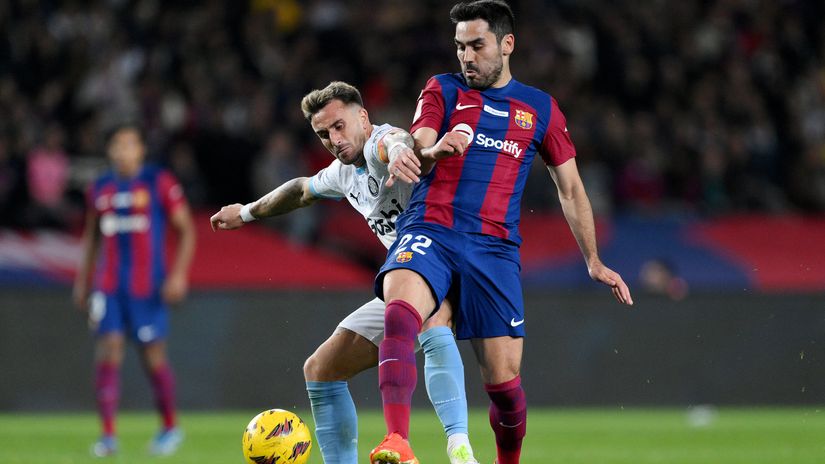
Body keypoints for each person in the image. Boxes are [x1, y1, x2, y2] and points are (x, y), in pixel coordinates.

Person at [369, 2, 634, 464]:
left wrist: (593, 259)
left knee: (506, 389)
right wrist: (429, 152)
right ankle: (397, 441)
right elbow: (422, 140)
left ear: (507, 44)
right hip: (431, 228)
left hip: (494, 250)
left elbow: (570, 189)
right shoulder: (442, 89)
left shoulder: (540, 109)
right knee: (400, 310)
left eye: (476, 45)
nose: (466, 57)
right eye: (459, 47)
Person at [209, 81, 479, 464]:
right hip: (405, 281)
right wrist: (248, 212)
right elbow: (302, 190)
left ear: (363, 118)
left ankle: (459, 445)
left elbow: (395, 140)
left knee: (428, 315)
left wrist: (403, 149)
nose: (334, 139)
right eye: (323, 134)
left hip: (449, 266)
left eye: (339, 126)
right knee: (321, 369)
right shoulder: (342, 174)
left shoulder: (378, 143)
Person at [73, 124, 196, 457]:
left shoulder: (159, 182)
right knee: (109, 349)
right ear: (109, 150)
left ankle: (170, 428)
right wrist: (83, 280)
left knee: (152, 356)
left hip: (147, 287)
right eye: (116, 144)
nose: (122, 151)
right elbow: (91, 238)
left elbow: (186, 230)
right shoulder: (99, 188)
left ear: (141, 149)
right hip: (109, 285)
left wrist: (179, 275)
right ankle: (108, 436)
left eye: (129, 144)